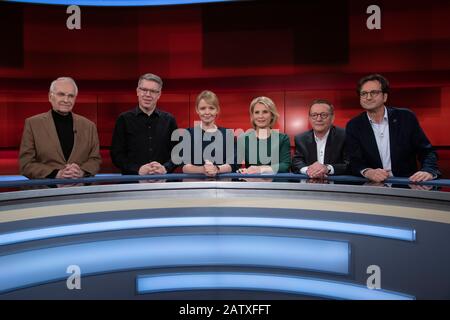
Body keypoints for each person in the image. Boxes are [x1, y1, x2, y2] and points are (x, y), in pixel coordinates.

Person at [346, 74, 440, 183]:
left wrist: (428, 170)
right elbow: (354, 160)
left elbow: (426, 151)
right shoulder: (354, 125)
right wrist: (368, 172)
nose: (368, 97)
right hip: (373, 187)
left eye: (374, 93)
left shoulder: (405, 117)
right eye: (364, 94)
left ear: (385, 96)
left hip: (406, 185)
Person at [19, 77, 101, 179]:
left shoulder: (89, 126)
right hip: (46, 189)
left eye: (71, 96)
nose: (66, 100)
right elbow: (26, 164)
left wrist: (82, 171)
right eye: (61, 94)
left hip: (79, 189)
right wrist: (56, 174)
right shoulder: (33, 124)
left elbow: (95, 160)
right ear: (50, 96)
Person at [110, 73, 178, 175]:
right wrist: (137, 169)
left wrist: (165, 168)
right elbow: (116, 155)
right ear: (137, 91)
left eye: (153, 91)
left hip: (163, 183)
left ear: (159, 95)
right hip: (132, 183)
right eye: (144, 90)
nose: (148, 94)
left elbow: (177, 154)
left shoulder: (169, 120)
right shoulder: (123, 119)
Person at [181, 90, 236, 177]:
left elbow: (233, 164)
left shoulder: (227, 134)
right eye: (203, 108)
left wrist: (216, 169)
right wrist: (202, 169)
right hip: (195, 186)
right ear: (197, 110)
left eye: (211, 108)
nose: (207, 112)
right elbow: (183, 166)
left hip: (223, 186)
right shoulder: (188, 134)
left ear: (217, 110)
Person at [291, 99, 348, 178]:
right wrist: (308, 170)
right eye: (314, 115)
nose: (318, 119)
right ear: (309, 118)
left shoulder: (345, 135)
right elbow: (296, 162)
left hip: (338, 186)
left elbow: (350, 164)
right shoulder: (301, 139)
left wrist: (327, 168)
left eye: (324, 115)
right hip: (308, 185)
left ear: (332, 118)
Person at [238, 96, 291, 174]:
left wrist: (261, 169)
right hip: (252, 184)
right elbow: (234, 164)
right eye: (256, 112)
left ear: (272, 115)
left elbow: (285, 165)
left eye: (265, 112)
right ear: (252, 116)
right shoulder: (243, 139)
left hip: (276, 184)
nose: (260, 116)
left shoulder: (282, 138)